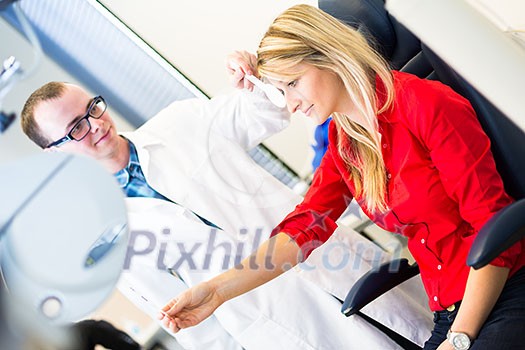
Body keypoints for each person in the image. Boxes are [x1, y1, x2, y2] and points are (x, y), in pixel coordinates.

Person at [159, 5, 525, 350]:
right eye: (281, 91)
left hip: (504, 285)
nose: (290, 104)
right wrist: (218, 291)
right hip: (450, 307)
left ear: (330, 56)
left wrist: (459, 339)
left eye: (293, 84)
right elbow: (302, 230)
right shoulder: (344, 141)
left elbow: (494, 231)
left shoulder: (424, 104)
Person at [20, 57, 433, 349]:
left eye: (92, 108)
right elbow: (189, 326)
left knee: (448, 332)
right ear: (54, 153)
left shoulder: (179, 123)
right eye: (75, 127)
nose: (95, 125)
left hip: (329, 259)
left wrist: (253, 73)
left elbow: (265, 111)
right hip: (280, 326)